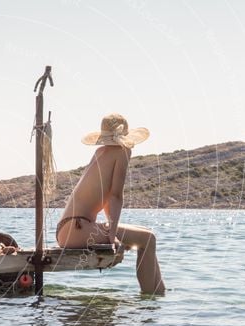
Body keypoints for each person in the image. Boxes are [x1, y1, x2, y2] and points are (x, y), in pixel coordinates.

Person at [56, 113, 165, 295]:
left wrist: (111, 231)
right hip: (77, 228)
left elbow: (107, 199)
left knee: (146, 234)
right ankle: (151, 301)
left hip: (69, 228)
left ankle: (159, 292)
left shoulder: (101, 152)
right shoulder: (122, 152)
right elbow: (115, 196)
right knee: (148, 239)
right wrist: (111, 236)